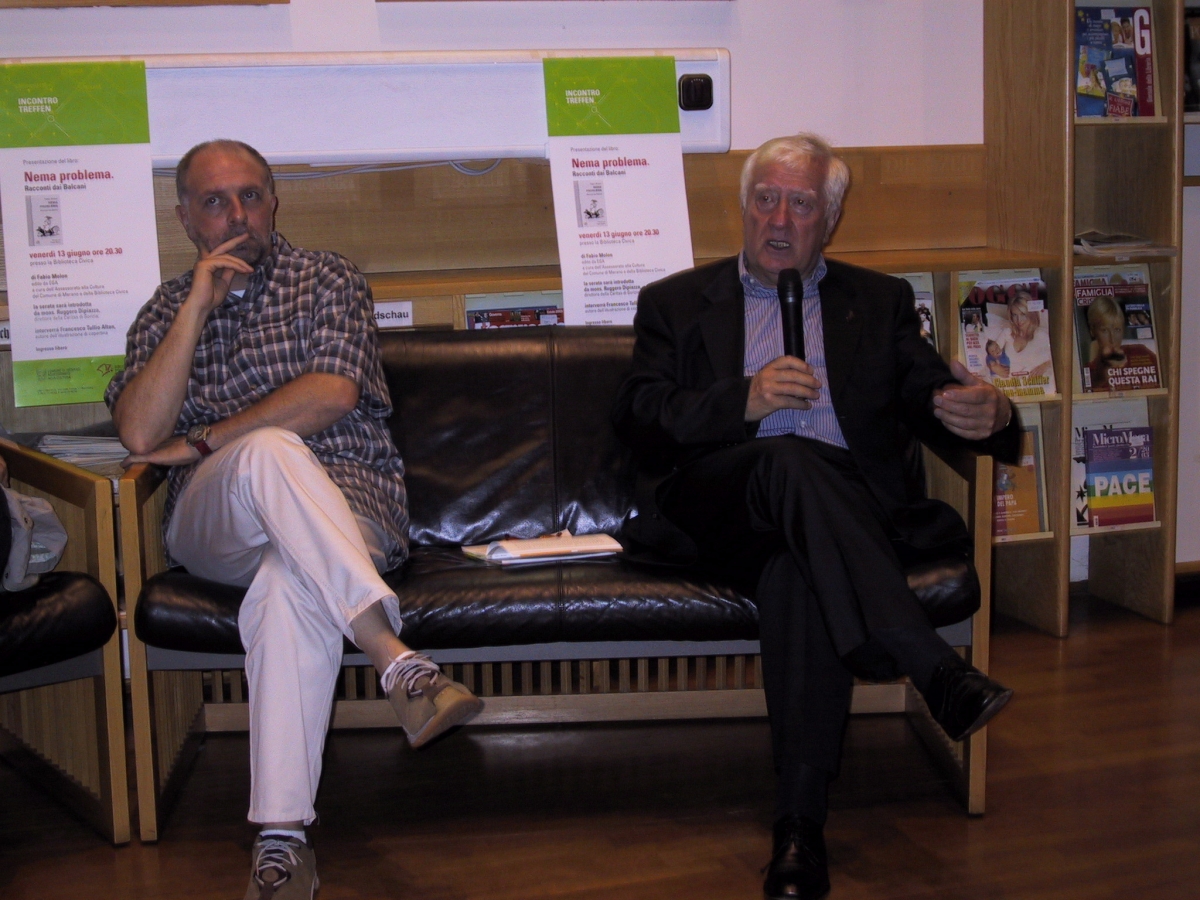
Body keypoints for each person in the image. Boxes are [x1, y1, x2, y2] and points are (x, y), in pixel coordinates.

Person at [612, 133, 1019, 900]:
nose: (778, 219)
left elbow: (935, 397)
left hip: (836, 523)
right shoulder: (674, 302)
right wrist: (743, 400)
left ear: (829, 220)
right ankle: (930, 663)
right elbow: (638, 416)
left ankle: (799, 829)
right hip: (720, 508)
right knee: (786, 458)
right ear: (744, 206)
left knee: (799, 572)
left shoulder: (879, 302)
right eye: (765, 199)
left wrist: (989, 412)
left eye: (800, 204)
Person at [106, 139, 482, 900]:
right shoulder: (163, 310)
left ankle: (281, 843)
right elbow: (140, 434)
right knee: (267, 451)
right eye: (215, 202)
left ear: (275, 203)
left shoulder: (328, 277)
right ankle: (394, 658)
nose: (237, 215)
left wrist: (206, 437)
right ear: (185, 219)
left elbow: (333, 394)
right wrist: (196, 310)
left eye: (251, 196)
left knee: (286, 583)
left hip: (349, 506)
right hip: (218, 522)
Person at [1086, 294, 1159, 391]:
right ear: (1092, 331)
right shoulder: (1088, 372)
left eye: (1117, 330)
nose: (1112, 339)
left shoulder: (1141, 352)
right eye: (1104, 330)